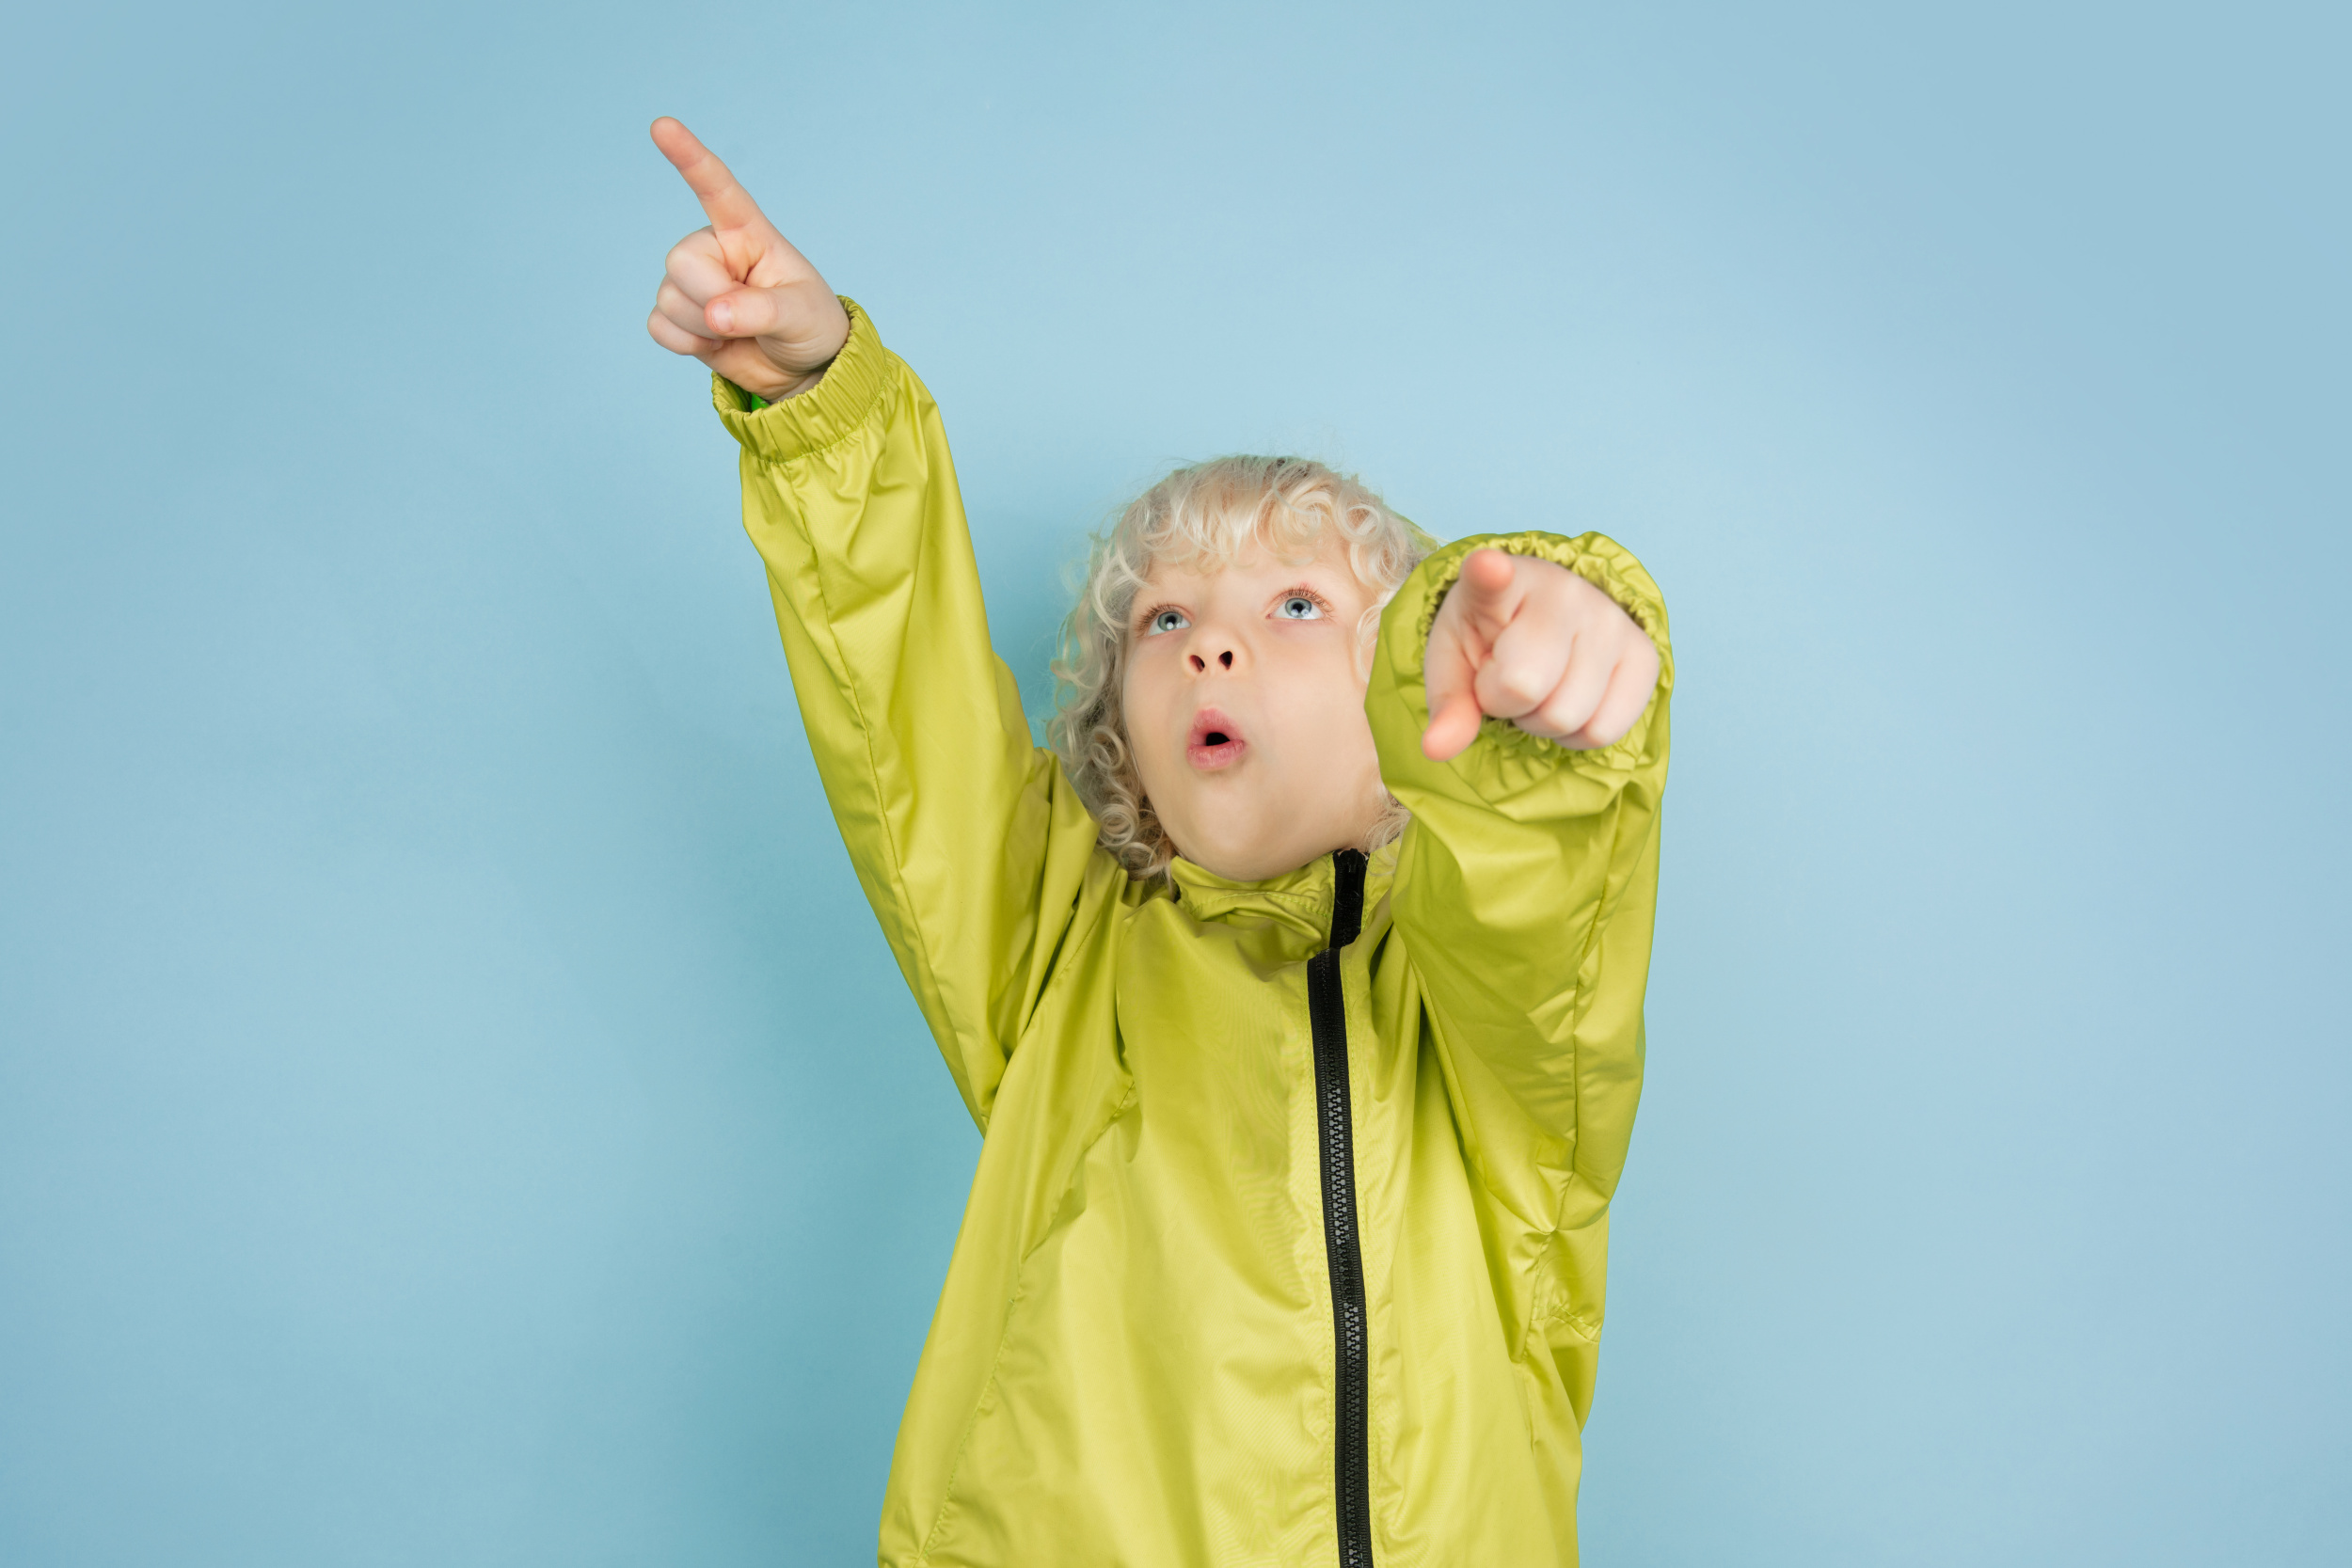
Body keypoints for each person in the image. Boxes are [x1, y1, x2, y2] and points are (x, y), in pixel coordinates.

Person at [644, 115, 1672, 1568]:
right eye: (1164, 619)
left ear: (1418, 678)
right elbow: (903, 715)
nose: (1209, 649)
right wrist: (823, 399)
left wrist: (1552, 687)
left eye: (1296, 606)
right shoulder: (1058, 953)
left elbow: (1549, 893)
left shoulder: (1493, 1035)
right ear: (1121, 722)